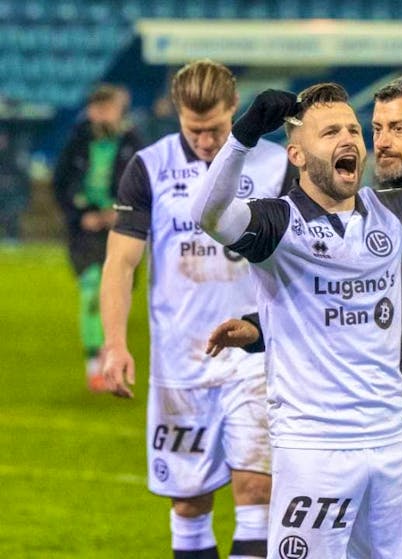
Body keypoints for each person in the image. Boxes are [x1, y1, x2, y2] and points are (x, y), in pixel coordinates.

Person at [192, 73, 402, 558]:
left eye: (353, 130)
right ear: (297, 155)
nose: (349, 139)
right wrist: (243, 137)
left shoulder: (391, 211)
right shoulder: (277, 224)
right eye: (330, 133)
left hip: (392, 443)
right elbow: (208, 215)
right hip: (316, 448)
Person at [99, 60, 292, 559]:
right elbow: (120, 264)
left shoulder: (274, 165)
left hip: (254, 357)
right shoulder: (150, 166)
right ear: (177, 116)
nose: (206, 141)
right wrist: (115, 344)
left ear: (235, 110)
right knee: (188, 503)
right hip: (179, 361)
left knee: (258, 490)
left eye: (216, 129)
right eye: (195, 130)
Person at [52, 84, 142, 391]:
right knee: (91, 291)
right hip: (86, 232)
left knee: (118, 292)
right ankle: (95, 365)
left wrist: (123, 212)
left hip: (123, 230)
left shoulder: (132, 142)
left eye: (108, 108)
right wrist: (82, 215)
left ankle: (112, 351)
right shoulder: (77, 141)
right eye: (98, 108)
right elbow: (59, 183)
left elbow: (145, 184)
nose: (102, 114)